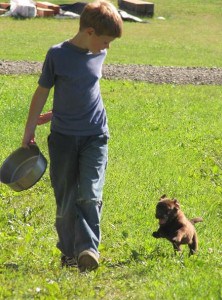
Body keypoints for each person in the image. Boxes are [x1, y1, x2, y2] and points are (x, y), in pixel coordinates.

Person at [22, 0, 123, 272]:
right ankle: (68, 253)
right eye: (105, 41)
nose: (107, 47)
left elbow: (85, 91)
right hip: (64, 139)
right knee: (66, 198)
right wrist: (30, 128)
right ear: (89, 32)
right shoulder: (57, 55)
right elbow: (42, 91)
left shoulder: (98, 53)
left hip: (95, 135)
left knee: (90, 192)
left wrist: (60, 111)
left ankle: (88, 250)